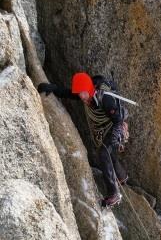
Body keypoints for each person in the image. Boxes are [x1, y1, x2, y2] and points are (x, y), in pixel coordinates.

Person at [38, 73, 129, 208]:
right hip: (106, 127)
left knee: (104, 153)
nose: (81, 96)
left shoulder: (106, 99)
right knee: (108, 154)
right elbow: (68, 93)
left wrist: (115, 137)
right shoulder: (85, 92)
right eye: (80, 93)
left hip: (116, 125)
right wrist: (52, 88)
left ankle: (113, 193)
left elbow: (118, 120)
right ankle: (122, 178)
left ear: (89, 89)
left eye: (83, 93)